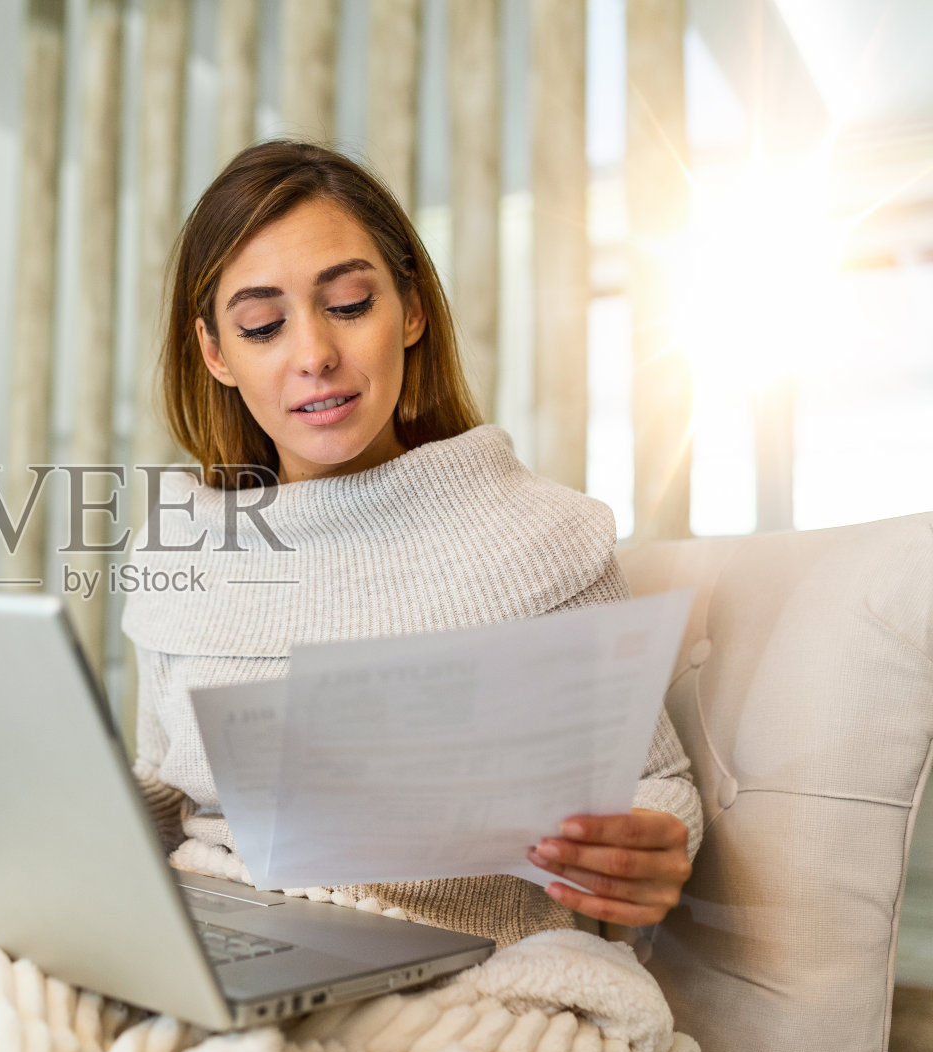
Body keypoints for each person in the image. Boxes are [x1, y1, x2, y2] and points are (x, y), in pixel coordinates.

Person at [120, 140, 701, 948]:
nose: (314, 354)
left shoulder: (537, 535)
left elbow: (654, 783)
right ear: (217, 353)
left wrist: (650, 843)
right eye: (261, 324)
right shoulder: (178, 551)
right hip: (212, 931)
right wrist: (81, 809)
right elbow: (169, 785)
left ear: (413, 310)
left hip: (451, 961)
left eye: (351, 304)